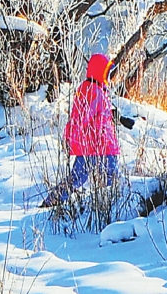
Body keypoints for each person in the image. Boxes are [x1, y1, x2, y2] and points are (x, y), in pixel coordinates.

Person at [42, 53, 120, 207]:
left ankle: (53, 201)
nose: (109, 77)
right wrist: (74, 139)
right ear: (100, 71)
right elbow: (81, 118)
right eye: (107, 72)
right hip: (97, 145)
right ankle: (109, 208)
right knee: (108, 178)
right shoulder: (92, 91)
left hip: (97, 145)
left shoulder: (95, 90)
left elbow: (97, 115)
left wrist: (115, 116)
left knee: (80, 177)